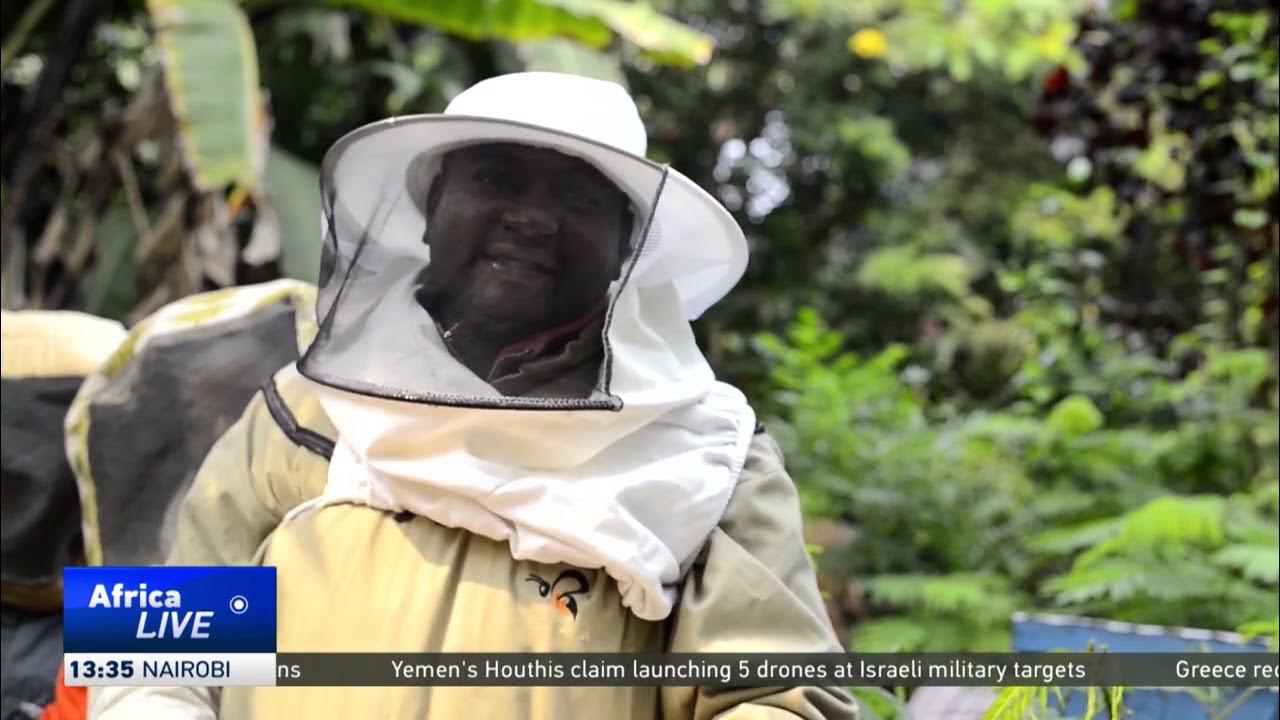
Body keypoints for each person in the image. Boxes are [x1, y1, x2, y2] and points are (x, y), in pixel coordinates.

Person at [89, 72, 860, 719]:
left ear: (625, 244)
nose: (530, 218)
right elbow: (158, 656)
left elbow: (780, 698)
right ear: (431, 210)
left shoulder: (707, 458)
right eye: (495, 179)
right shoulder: (302, 409)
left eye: (578, 198)